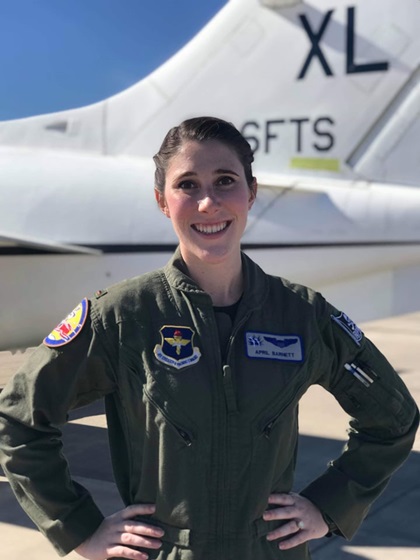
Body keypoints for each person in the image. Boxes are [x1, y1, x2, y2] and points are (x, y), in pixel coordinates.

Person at [0, 116, 418, 560]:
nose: (208, 203)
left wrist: (328, 505)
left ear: (251, 192)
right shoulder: (122, 317)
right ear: (162, 201)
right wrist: (80, 529)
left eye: (224, 181)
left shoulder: (302, 316)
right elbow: (20, 419)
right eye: (187, 185)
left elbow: (392, 419)